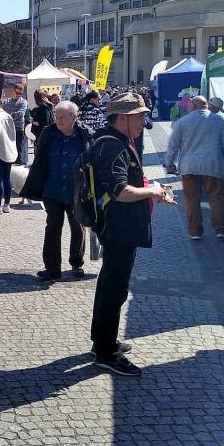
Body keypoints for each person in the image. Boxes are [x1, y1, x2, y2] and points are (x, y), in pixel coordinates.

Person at [89, 92, 176, 377]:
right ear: (123, 118)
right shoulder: (113, 146)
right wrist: (152, 191)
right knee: (115, 289)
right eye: (140, 117)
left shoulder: (113, 140)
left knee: (108, 283)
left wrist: (151, 189)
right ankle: (106, 353)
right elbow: (120, 191)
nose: (144, 122)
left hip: (117, 225)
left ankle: (102, 340)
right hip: (119, 227)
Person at [20, 101, 92, 281]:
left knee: (78, 227)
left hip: (77, 191)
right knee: (52, 227)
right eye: (56, 116)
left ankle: (76, 263)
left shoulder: (85, 134)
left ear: (74, 118)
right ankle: (52, 268)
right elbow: (40, 160)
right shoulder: (48, 133)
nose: (58, 120)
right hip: (52, 190)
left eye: (62, 117)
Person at [164, 95, 224, 242]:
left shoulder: (183, 122)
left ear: (194, 106)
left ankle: (195, 231)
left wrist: (169, 163)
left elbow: (173, 144)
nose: (187, 107)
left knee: (191, 199)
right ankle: (221, 230)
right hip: (213, 165)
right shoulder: (218, 120)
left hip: (189, 166)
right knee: (217, 198)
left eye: (189, 105)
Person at [2, 84, 28, 165]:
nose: (18, 95)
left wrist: (8, 116)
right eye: (17, 93)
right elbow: (1, 112)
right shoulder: (6, 102)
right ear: (13, 91)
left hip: (18, 129)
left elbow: (21, 113)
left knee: (18, 149)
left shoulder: (23, 102)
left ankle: (19, 167)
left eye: (20, 93)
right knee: (8, 148)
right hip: (7, 128)